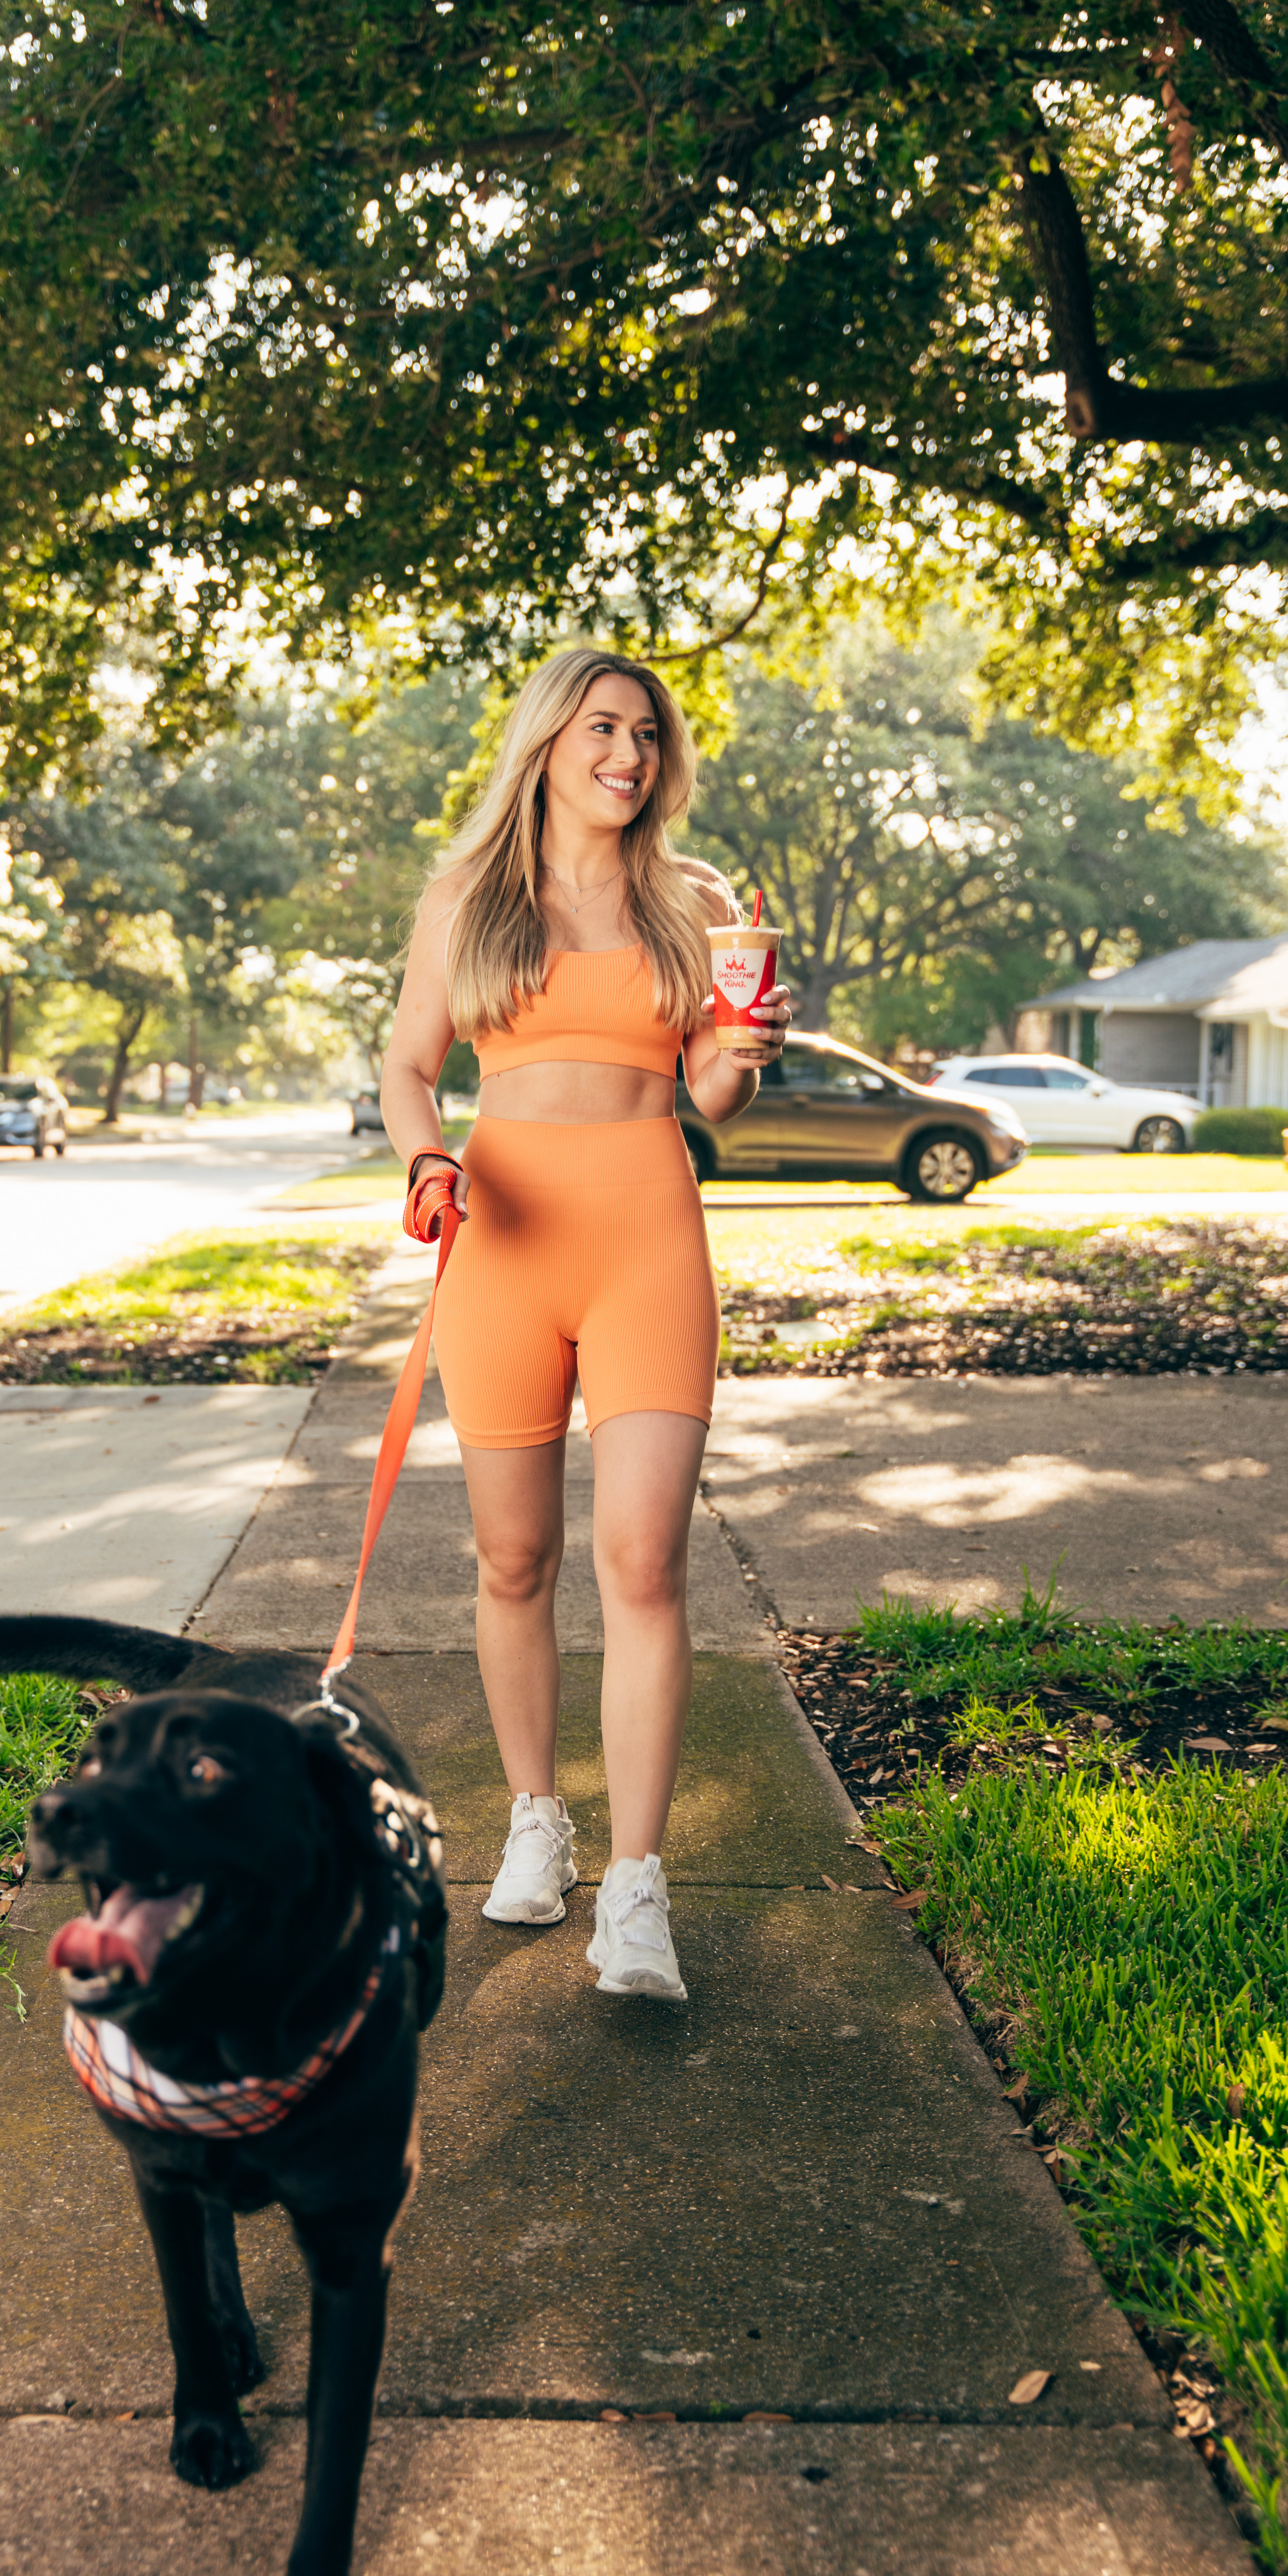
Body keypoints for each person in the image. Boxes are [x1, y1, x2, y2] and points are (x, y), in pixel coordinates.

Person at [380, 645, 791, 2003]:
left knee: (644, 1561)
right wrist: (425, 1157)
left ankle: (637, 1890)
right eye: (604, 729)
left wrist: (743, 1049)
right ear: (550, 741)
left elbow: (713, 1100)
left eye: (650, 737)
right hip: (499, 1236)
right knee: (513, 1559)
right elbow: (407, 1064)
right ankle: (536, 1821)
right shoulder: (469, 898)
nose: (630, 755)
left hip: (647, 1236)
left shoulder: (694, 900)